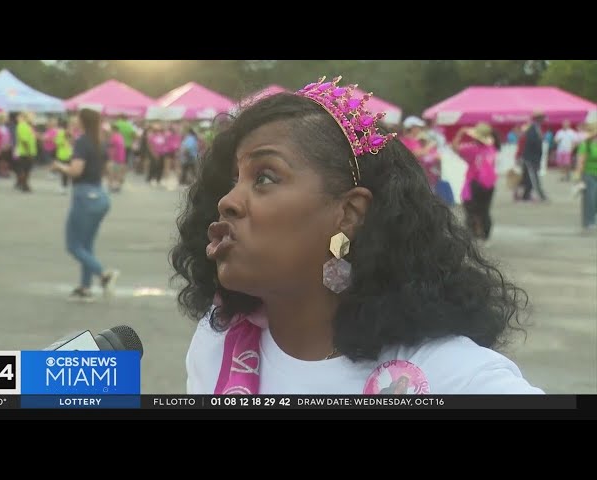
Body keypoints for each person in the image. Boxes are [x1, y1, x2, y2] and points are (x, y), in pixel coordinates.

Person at [172, 75, 543, 395]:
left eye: (265, 177)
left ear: (349, 214)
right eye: (234, 180)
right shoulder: (218, 343)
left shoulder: (451, 374)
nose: (227, 202)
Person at [50, 108, 119, 302]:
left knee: (73, 245)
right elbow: (107, 169)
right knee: (86, 245)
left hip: (84, 196)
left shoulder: (82, 142)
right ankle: (85, 286)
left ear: (82, 121)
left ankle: (104, 275)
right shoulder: (100, 142)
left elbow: (75, 171)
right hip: (100, 196)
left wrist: (59, 166)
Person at [452, 123, 499, 244]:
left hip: (474, 183)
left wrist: (460, 133)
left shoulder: (472, 149)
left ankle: (473, 234)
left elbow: (455, 148)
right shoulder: (492, 149)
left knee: (471, 209)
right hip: (489, 184)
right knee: (484, 210)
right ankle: (484, 235)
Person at [573, 124, 597, 232]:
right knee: (590, 199)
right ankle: (588, 222)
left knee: (595, 199)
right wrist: (578, 175)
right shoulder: (585, 144)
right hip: (588, 174)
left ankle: (592, 220)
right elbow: (580, 161)